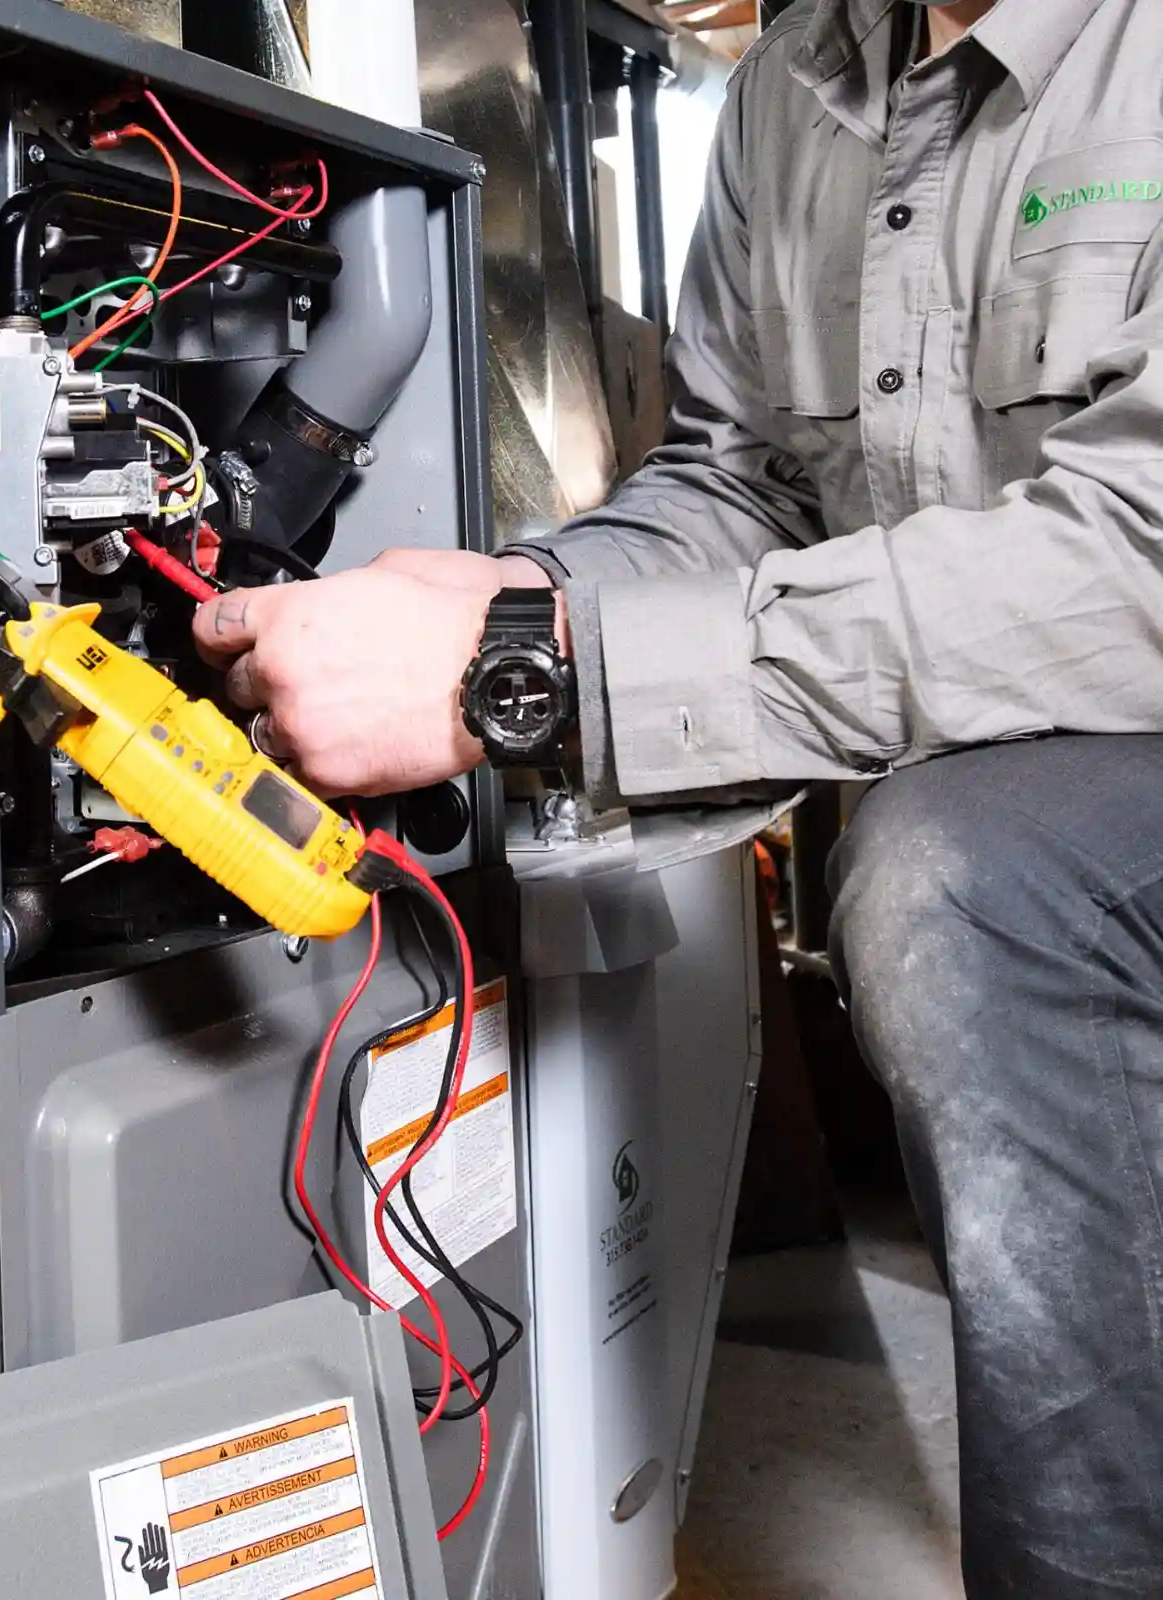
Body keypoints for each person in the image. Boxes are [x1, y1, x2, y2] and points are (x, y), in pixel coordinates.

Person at [196, 0, 1163, 1592]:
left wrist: (541, 673)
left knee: (965, 882)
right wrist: (521, 596)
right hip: (1028, 748)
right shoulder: (796, 89)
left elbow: (1139, 563)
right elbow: (750, 487)